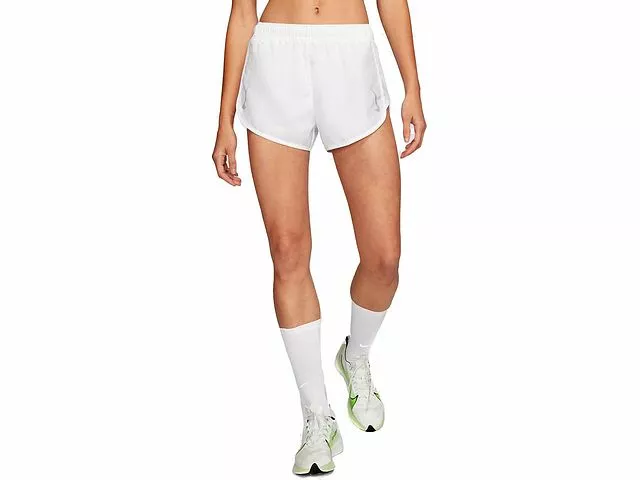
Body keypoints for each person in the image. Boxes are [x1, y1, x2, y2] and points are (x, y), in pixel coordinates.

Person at [212, 0, 426, 474]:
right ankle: (316, 415)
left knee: (384, 257)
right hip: (276, 61)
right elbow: (243, 13)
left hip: (348, 54)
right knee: (287, 252)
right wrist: (224, 119)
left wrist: (412, 86)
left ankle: (356, 356)